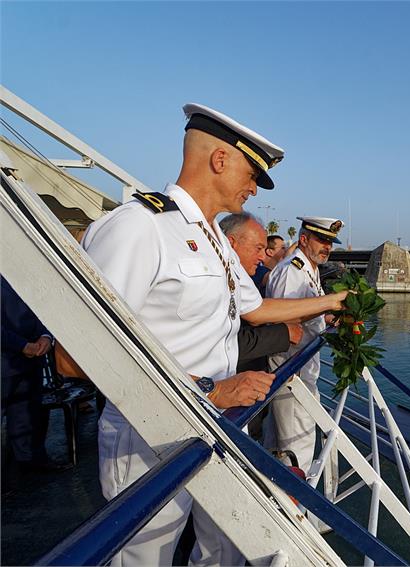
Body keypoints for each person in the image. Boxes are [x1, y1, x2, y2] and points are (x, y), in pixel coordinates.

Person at [75, 104, 347, 567]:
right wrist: (210, 389)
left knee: (224, 548)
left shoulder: (215, 240)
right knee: (146, 559)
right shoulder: (141, 228)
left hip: (214, 424)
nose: (255, 188)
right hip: (150, 439)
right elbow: (76, 356)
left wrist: (331, 303)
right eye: (253, 174)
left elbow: (257, 309)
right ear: (219, 160)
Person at [264, 216, 343, 471]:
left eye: (330, 242)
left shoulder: (309, 269)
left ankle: (273, 498)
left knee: (279, 442)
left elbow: (307, 310)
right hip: (292, 370)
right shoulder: (292, 270)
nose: (327, 247)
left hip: (301, 370)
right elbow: (283, 319)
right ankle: (295, 507)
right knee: (298, 445)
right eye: (321, 240)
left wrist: (327, 316)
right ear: (304, 239)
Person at [219, 212, 303, 372]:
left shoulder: (238, 276)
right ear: (231, 244)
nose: (262, 256)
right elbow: (226, 340)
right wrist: (283, 334)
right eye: (258, 248)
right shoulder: (217, 280)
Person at [1, 277, 64, 473]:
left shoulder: (24, 268)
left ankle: (31, 462)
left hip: (30, 360)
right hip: (9, 359)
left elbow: (43, 303)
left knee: (28, 415)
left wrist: (46, 336)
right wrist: (21, 345)